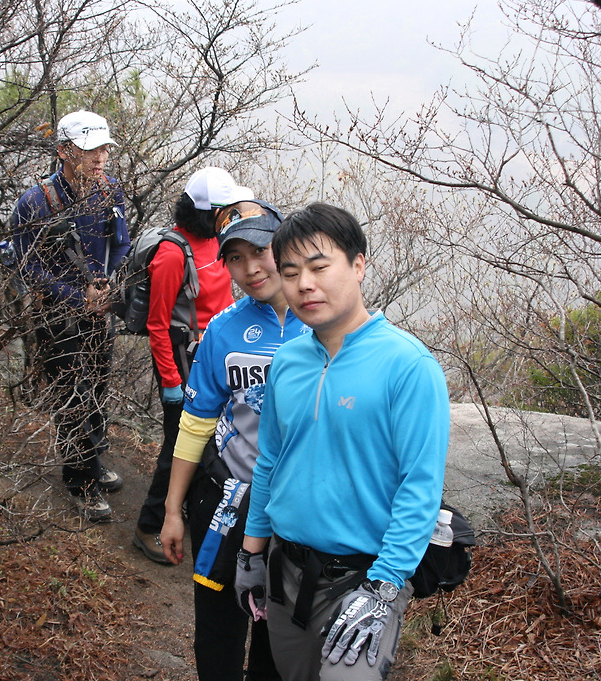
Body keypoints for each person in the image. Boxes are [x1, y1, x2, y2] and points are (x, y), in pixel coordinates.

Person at [235, 203, 449, 681]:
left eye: (318, 266)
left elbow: (420, 488)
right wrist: (251, 553)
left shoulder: (408, 366)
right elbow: (270, 460)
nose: (304, 284)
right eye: (290, 272)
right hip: (284, 569)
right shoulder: (288, 361)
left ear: (358, 265)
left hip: (362, 577)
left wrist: (383, 589)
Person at [160, 199, 305, 681]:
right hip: (228, 502)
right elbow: (196, 422)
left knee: (278, 645)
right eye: (235, 258)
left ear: (283, 245)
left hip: (298, 513)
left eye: (259, 251)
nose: (250, 268)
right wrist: (173, 510)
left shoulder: (328, 324)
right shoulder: (224, 329)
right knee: (218, 636)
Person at [8, 110, 131, 523]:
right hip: (57, 312)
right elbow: (25, 264)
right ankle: (81, 482)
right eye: (89, 149)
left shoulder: (110, 190)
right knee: (71, 393)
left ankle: (93, 459)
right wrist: (75, 295)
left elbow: (120, 244)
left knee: (97, 385)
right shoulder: (36, 202)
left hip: (99, 308)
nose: (100, 158)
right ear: (63, 151)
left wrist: (108, 285)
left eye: (103, 149)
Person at [133, 167, 244, 562]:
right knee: (178, 449)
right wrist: (170, 383)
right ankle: (150, 526)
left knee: (216, 443)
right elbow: (158, 325)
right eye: (224, 211)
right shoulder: (171, 254)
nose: (230, 217)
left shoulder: (219, 243)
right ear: (205, 212)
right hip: (183, 364)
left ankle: (194, 521)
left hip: (216, 362)